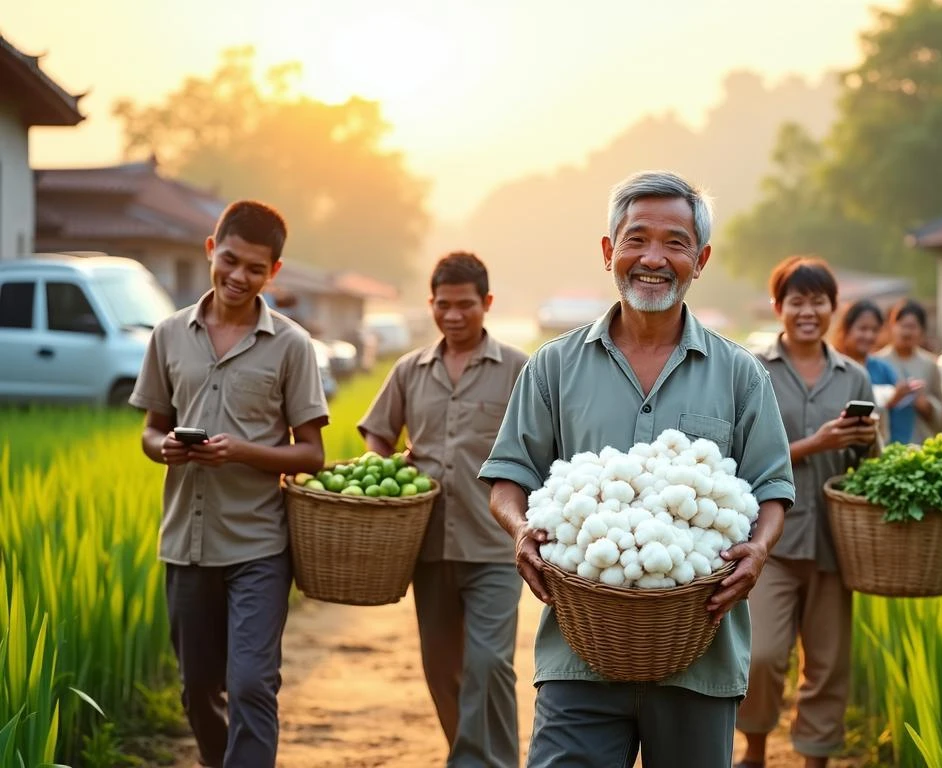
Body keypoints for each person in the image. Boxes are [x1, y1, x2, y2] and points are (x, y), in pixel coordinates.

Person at [480, 170, 795, 767]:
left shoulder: (740, 373)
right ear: (608, 252)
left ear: (700, 260)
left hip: (700, 649)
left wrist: (758, 551)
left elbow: (772, 488)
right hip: (579, 651)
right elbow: (508, 477)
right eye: (636, 239)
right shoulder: (553, 367)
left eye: (675, 243)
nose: (653, 258)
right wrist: (520, 530)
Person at [129, 200, 330, 768]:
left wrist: (240, 451)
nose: (239, 277)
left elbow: (311, 453)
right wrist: (164, 448)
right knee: (197, 691)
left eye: (256, 269)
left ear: (274, 272)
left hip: (257, 546)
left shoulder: (291, 344)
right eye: (231, 260)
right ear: (211, 250)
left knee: (251, 685)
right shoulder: (169, 334)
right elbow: (151, 430)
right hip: (186, 546)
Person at [357, 251, 528, 768]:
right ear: (430, 303)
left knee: (489, 664)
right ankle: (470, 756)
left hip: (494, 545)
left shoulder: (518, 369)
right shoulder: (410, 370)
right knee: (440, 667)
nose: (453, 316)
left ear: (487, 303)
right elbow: (378, 434)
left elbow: (545, 444)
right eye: (443, 305)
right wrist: (383, 472)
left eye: (465, 305)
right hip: (428, 545)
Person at [735, 257, 880, 768]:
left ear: (832, 308)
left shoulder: (853, 376)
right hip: (768, 539)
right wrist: (814, 444)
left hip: (835, 541)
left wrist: (868, 439)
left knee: (828, 662)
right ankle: (754, 749)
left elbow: (868, 466)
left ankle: (815, 758)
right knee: (762, 655)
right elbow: (739, 456)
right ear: (778, 307)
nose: (807, 311)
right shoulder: (752, 370)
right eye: (796, 301)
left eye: (818, 301)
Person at [834, 299, 924, 444]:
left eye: (874, 330)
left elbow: (901, 418)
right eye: (862, 329)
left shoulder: (883, 369)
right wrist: (887, 401)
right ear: (846, 329)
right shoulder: (833, 367)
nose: (869, 336)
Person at [873, 299, 942, 444]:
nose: (907, 332)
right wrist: (891, 399)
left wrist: (926, 406)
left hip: (920, 443)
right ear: (891, 327)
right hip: (885, 444)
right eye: (902, 325)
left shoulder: (929, 364)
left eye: (912, 326)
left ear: (922, 331)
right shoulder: (877, 362)